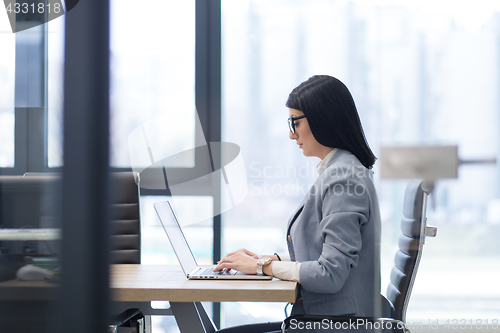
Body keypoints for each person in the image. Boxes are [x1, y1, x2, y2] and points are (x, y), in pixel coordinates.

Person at [215, 75, 382, 332]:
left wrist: (262, 267)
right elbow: (325, 251)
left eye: (295, 122)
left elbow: (330, 274)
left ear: (322, 119)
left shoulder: (344, 179)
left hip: (334, 324)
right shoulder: (340, 171)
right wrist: (271, 260)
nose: (292, 134)